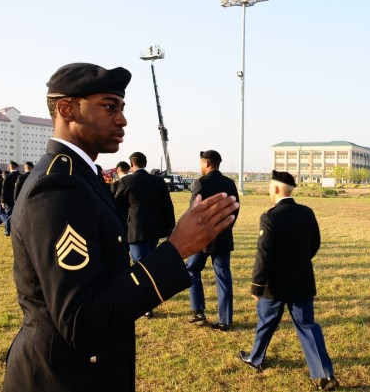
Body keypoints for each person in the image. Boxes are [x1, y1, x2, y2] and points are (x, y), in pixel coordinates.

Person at [2, 62, 239, 391]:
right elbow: (81, 320)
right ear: (67, 110)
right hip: (61, 378)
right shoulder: (58, 187)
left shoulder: (83, 176)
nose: (122, 119)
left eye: (122, 107)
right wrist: (175, 249)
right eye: (109, 107)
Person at [238, 170, 338, 391]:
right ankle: (325, 374)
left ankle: (256, 359)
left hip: (274, 285)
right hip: (302, 280)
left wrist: (257, 284)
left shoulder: (270, 216)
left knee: (266, 322)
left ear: (275, 189)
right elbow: (315, 244)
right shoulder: (307, 212)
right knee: (307, 325)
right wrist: (299, 263)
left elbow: (263, 254)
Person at [186, 150, 239, 331]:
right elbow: (235, 209)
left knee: (191, 269)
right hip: (223, 236)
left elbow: (194, 212)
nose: (200, 166)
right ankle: (225, 320)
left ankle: (198, 312)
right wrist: (225, 228)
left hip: (202, 239)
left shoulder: (200, 183)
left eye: (201, 163)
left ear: (207, 163)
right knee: (223, 276)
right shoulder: (230, 183)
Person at [115, 151, 175, 263]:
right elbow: (167, 206)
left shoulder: (126, 181)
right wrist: (170, 227)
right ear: (145, 164)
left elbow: (116, 204)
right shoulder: (158, 181)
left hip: (135, 230)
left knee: (141, 265)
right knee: (150, 262)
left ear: (131, 164)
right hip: (154, 229)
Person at [0, 161, 20, 236]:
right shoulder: (20, 176)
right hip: (19, 200)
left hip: (9, 200)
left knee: (9, 215)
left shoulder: (8, 177)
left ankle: (7, 230)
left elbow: (4, 189)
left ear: (10, 166)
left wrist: (3, 200)